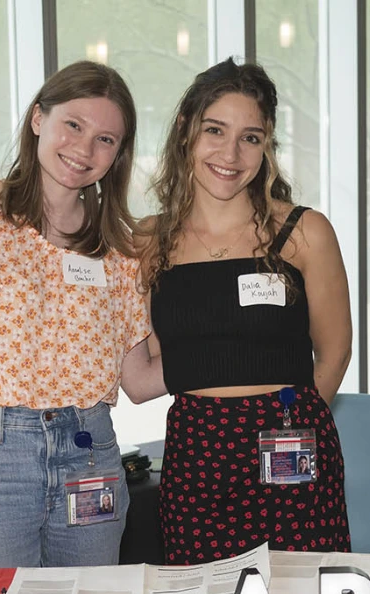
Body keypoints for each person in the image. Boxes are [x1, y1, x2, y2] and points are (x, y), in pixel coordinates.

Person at [0, 61, 165, 569]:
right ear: (37, 120)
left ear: (118, 156)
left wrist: (232, 356)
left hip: (89, 450)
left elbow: (138, 380)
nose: (84, 149)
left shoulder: (117, 247)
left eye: (105, 140)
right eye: (73, 125)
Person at [140, 58, 353, 564]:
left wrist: (284, 420)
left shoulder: (304, 232)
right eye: (215, 130)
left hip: (290, 446)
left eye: (250, 137)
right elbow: (150, 353)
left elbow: (335, 351)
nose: (230, 153)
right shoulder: (149, 242)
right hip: (197, 451)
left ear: (268, 144)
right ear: (184, 130)